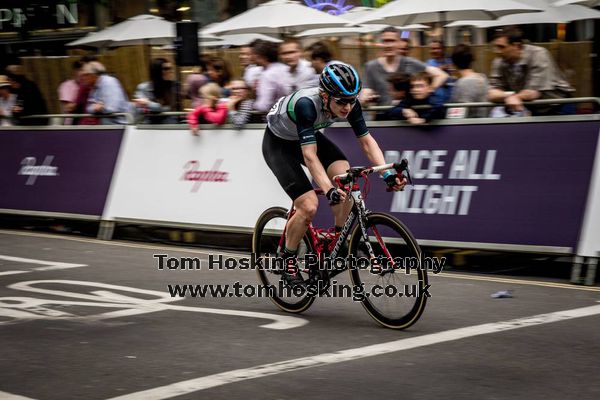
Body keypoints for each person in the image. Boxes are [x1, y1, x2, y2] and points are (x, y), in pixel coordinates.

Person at [262, 62, 407, 285]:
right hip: (279, 144)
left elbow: (367, 142)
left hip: (304, 137)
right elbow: (310, 156)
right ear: (324, 95)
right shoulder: (306, 105)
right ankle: (286, 260)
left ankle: (337, 245)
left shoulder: (349, 103)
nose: (347, 107)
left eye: (352, 100)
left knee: (345, 178)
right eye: (341, 101)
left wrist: (386, 174)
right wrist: (328, 190)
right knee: (309, 205)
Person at [488, 26, 574, 116]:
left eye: (501, 47)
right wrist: (508, 96)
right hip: (535, 108)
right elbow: (492, 93)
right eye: (495, 47)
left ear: (517, 46)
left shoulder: (538, 54)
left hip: (559, 105)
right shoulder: (499, 61)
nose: (497, 51)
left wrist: (512, 97)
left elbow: (532, 92)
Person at [361, 27, 448, 107]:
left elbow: (442, 75)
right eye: (385, 41)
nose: (388, 45)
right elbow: (366, 90)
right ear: (381, 44)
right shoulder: (371, 66)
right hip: (383, 117)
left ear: (399, 43)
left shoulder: (411, 62)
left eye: (392, 41)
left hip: (408, 118)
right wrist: (366, 98)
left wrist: (429, 90)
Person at [133, 58, 179, 124]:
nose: (170, 71)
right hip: (149, 126)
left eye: (171, 68)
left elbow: (168, 108)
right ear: (157, 71)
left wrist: (148, 103)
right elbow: (140, 110)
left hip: (169, 125)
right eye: (166, 69)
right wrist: (154, 107)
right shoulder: (143, 87)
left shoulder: (173, 86)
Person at [449, 44, 489, 118]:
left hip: (469, 126)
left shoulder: (462, 83)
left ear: (454, 64)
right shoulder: (483, 77)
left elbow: (458, 114)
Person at [252, 40, 291, 113]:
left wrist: (251, 105)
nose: (252, 57)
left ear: (262, 57)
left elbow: (263, 106)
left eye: (255, 55)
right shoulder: (286, 68)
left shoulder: (267, 75)